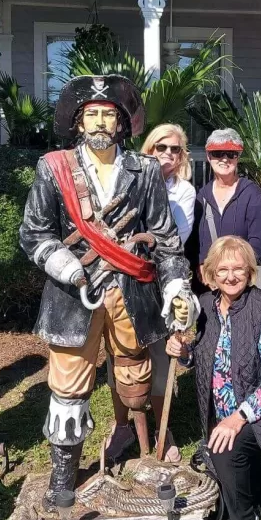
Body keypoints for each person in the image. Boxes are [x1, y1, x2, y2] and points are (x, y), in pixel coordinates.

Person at [18, 75, 198, 512]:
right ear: (79, 122)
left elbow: (166, 240)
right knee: (69, 386)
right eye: (92, 114)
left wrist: (175, 285)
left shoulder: (146, 169)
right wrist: (70, 269)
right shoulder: (53, 167)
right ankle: (64, 478)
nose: (100, 122)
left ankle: (145, 457)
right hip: (71, 297)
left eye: (108, 114)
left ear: (121, 123)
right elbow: (34, 233)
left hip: (131, 293)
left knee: (134, 378)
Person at [167, 236, 261, 520]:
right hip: (222, 410)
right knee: (231, 465)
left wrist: (237, 418)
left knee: (224, 451)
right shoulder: (204, 307)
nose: (231, 276)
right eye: (223, 269)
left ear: (250, 272)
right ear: (211, 273)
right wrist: (182, 351)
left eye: (238, 269)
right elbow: (198, 358)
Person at [105, 123, 197, 463]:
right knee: (119, 357)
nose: (167, 154)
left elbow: (172, 240)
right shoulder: (124, 182)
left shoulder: (183, 192)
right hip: (116, 283)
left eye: (175, 149)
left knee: (159, 357)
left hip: (158, 284)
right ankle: (121, 426)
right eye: (161, 147)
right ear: (148, 150)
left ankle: (163, 427)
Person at [193, 129, 261, 274]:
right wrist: (201, 264)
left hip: (240, 277)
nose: (225, 159)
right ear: (208, 156)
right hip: (208, 279)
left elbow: (257, 241)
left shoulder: (251, 193)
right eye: (218, 153)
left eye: (231, 154)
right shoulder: (201, 196)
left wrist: (238, 271)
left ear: (238, 157)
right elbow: (195, 241)